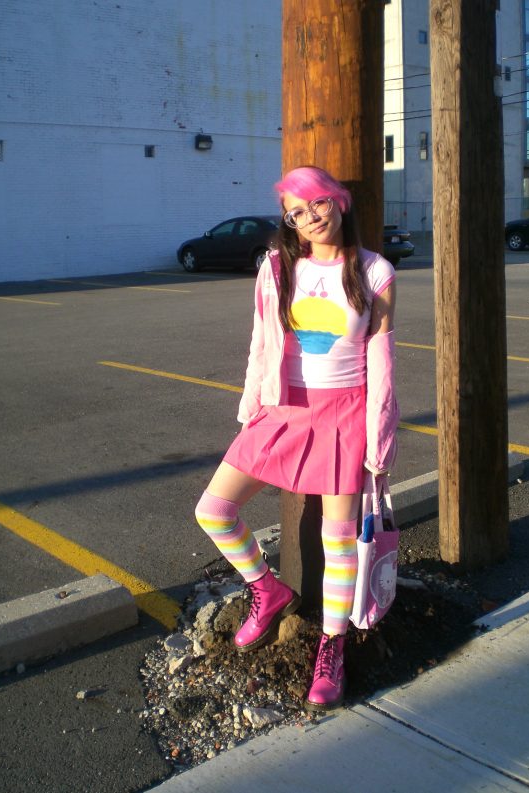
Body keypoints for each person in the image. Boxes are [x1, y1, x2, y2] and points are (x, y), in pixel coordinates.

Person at [195, 165, 399, 711]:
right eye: (297, 212)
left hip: (344, 416)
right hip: (282, 408)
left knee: (338, 543)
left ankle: (331, 647)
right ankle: (267, 588)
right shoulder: (277, 267)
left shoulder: (374, 271)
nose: (310, 218)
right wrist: (250, 409)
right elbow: (261, 345)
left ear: (338, 201)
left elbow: (380, 362)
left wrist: (379, 440)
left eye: (317, 204)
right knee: (214, 510)